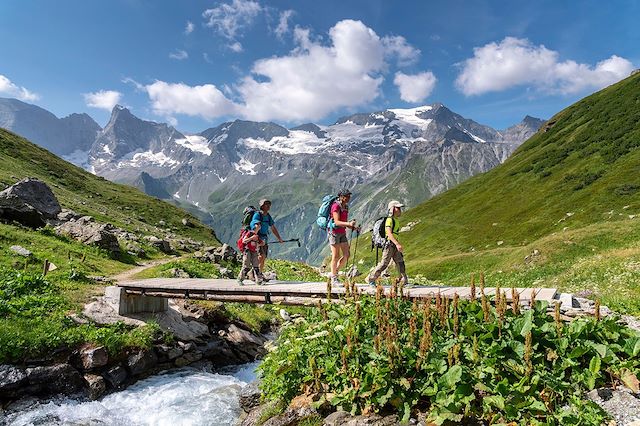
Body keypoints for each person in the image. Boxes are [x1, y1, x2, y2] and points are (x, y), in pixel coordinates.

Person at [367, 200, 409, 287]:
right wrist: (397, 244)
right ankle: (371, 279)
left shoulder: (395, 220)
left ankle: (404, 280)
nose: (400, 210)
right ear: (392, 209)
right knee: (384, 263)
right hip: (389, 245)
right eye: (398, 208)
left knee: (400, 261)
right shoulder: (389, 220)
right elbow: (389, 233)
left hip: (393, 244)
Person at [328, 189, 359, 286]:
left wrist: (353, 227)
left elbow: (343, 223)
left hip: (342, 232)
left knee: (347, 255)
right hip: (334, 233)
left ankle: (335, 271)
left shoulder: (345, 207)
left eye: (349, 196)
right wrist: (349, 223)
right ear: (341, 197)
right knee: (336, 256)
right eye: (347, 196)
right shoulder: (336, 206)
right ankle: (334, 278)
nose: (349, 198)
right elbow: (336, 222)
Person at [250, 199, 284, 277]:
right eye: (266, 204)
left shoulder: (268, 216)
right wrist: (255, 234)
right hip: (258, 238)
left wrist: (279, 238)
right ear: (262, 206)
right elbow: (255, 225)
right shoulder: (257, 215)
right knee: (261, 256)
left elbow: (273, 227)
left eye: (269, 204)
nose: (268, 206)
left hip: (265, 239)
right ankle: (252, 272)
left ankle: (259, 274)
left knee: (263, 257)